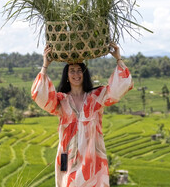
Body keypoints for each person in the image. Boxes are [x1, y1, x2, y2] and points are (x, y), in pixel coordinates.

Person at [31, 43, 133, 187]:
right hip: (69, 158)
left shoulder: (96, 97)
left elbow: (120, 88)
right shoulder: (61, 101)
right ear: (67, 75)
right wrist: (45, 65)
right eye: (72, 71)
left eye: (79, 70)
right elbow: (39, 95)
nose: (76, 74)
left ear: (84, 74)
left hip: (93, 159)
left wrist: (118, 59)